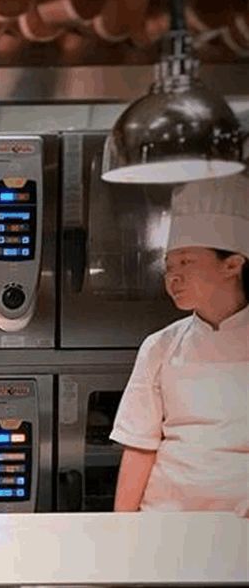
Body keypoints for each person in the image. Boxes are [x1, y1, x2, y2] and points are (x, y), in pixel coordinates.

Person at [111, 174, 249, 514]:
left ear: (232, 264)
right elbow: (140, 446)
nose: (173, 277)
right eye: (168, 266)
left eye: (186, 262)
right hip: (166, 518)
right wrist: (121, 530)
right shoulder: (160, 346)